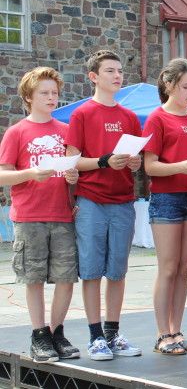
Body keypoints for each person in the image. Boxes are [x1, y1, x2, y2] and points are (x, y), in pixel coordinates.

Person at [66, 50, 143, 360]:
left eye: (120, 70)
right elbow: (72, 160)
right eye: (110, 70)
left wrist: (135, 162)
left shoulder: (129, 117)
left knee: (117, 272)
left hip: (123, 200)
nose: (117, 75)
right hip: (92, 201)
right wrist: (103, 161)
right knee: (92, 271)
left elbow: (136, 162)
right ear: (94, 77)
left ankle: (113, 332)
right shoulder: (82, 114)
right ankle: (95, 335)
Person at [0, 67, 80, 363]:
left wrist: (72, 176)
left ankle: (56, 331)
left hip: (62, 214)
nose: (51, 98)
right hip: (30, 215)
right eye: (44, 93)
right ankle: (38, 335)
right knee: (33, 277)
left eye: (54, 93)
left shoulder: (66, 131)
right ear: (29, 97)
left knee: (66, 276)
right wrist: (31, 173)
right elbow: (3, 176)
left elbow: (73, 170)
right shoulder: (17, 132)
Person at [143, 58, 187, 355]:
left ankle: (177, 330)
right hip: (167, 198)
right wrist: (180, 167)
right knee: (167, 267)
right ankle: (161, 333)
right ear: (169, 86)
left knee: (184, 267)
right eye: (185, 86)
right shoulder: (157, 118)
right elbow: (150, 167)